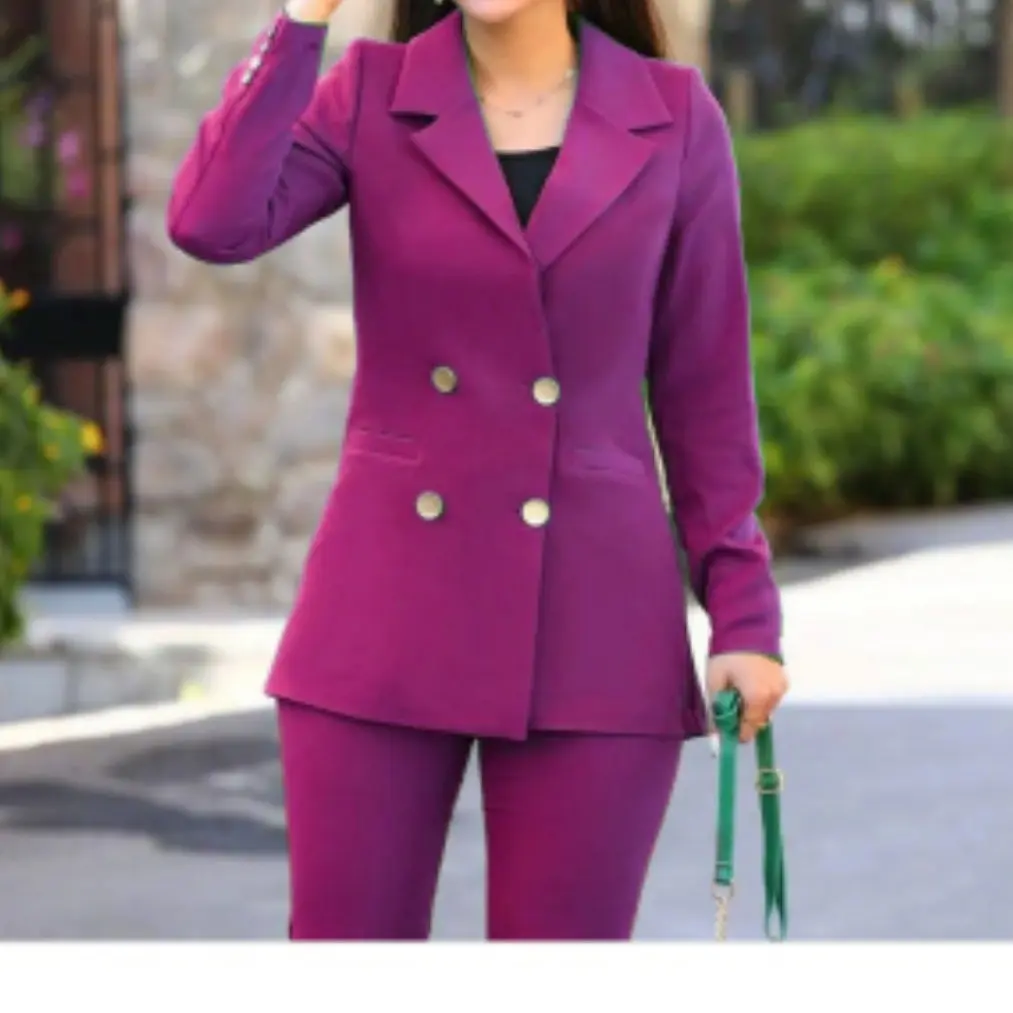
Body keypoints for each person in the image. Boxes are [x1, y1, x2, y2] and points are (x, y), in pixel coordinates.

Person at [167, 0, 789, 941]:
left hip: (593, 614)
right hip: (385, 604)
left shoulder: (674, 114)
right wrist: (300, 20)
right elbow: (211, 221)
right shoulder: (369, 91)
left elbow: (705, 389)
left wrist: (742, 614)